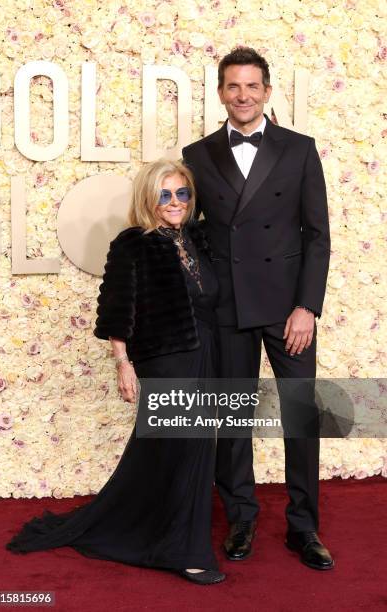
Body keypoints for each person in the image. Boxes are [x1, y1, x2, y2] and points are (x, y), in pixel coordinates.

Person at [6, 159, 225, 585]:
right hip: (165, 358)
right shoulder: (133, 244)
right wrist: (123, 364)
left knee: (192, 451)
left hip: (206, 355)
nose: (175, 202)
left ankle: (157, 531)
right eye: (165, 194)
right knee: (180, 449)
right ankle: (186, 551)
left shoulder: (197, 239)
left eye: (182, 193)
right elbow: (117, 310)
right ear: (149, 198)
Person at [182, 47, 334, 571]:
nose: (242, 95)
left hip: (287, 308)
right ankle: (242, 517)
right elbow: (188, 232)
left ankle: (303, 527)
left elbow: (317, 236)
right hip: (227, 307)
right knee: (232, 421)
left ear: (267, 91)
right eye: (232, 86)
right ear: (221, 92)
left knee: (300, 418)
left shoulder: (299, 149)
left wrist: (306, 307)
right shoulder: (197, 154)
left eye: (252, 86)